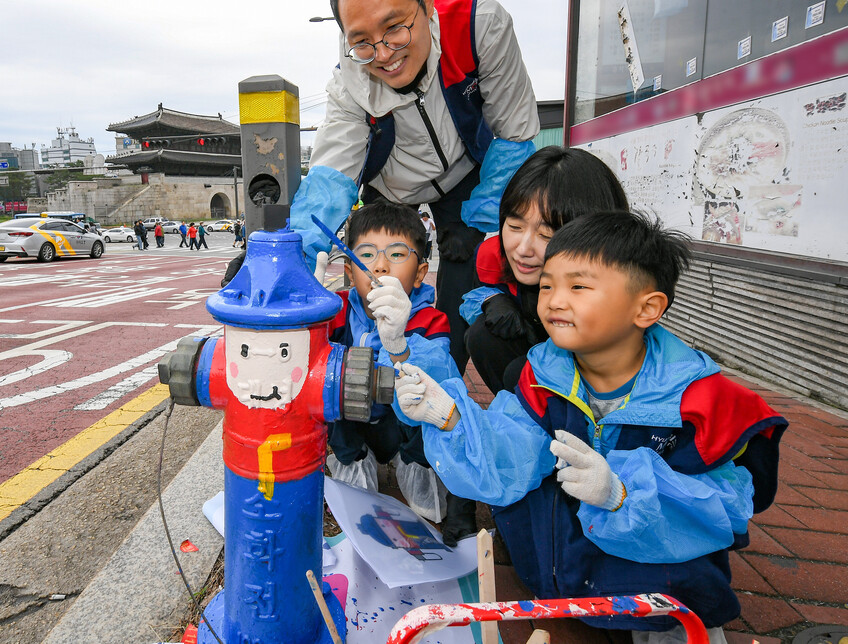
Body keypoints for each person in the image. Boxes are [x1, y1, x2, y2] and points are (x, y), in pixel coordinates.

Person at [395, 211, 788, 642]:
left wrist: (623, 495)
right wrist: (450, 418)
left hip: (665, 595)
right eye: (547, 285)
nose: (554, 301)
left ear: (647, 308)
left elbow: (729, 507)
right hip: (564, 577)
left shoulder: (701, 403)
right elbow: (509, 461)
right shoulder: (542, 375)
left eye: (578, 286)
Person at [289, 0, 541, 375]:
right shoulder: (348, 80)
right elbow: (331, 177)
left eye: (395, 28)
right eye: (362, 41)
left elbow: (513, 138)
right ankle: (379, 405)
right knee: (380, 290)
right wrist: (288, 255)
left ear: (426, 0)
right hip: (390, 189)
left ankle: (438, 394)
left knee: (461, 296)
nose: (383, 54)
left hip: (468, 178)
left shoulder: (481, 26)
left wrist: (480, 223)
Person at [322, 201, 462, 532]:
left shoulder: (431, 319)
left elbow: (439, 380)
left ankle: (413, 466)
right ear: (348, 269)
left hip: (401, 427)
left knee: (423, 414)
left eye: (397, 255)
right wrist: (305, 312)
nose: (381, 267)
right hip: (353, 424)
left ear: (420, 274)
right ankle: (353, 461)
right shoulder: (335, 313)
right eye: (367, 255)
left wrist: (398, 342)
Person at [461, 147, 629, 395]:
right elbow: (475, 296)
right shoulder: (494, 256)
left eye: (546, 234)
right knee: (483, 336)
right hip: (535, 356)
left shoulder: (617, 293)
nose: (523, 249)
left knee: (522, 373)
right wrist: (492, 299)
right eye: (515, 226)